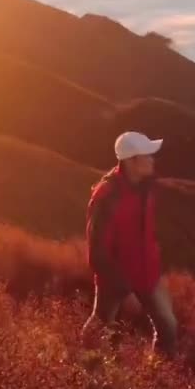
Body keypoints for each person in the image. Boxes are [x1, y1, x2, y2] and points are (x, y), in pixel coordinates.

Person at [81, 131, 178, 358]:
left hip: (147, 273)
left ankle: (156, 379)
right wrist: (119, 282)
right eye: (147, 155)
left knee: (168, 328)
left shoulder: (146, 187)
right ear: (131, 162)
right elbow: (96, 249)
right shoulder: (106, 196)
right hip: (116, 277)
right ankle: (83, 365)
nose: (153, 160)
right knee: (99, 325)